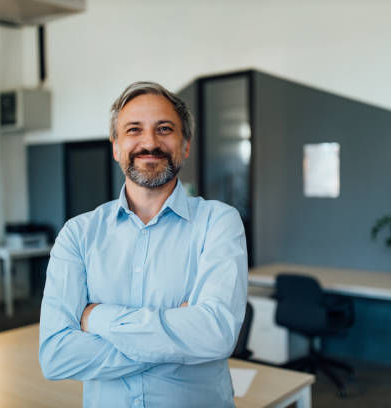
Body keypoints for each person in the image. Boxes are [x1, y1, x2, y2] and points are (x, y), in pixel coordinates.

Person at [39, 81, 248, 408]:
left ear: (185, 144)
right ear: (116, 147)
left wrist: (97, 319)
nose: (149, 142)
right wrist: (177, 340)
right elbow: (56, 356)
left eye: (164, 129)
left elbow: (215, 335)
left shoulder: (219, 223)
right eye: (134, 130)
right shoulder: (78, 234)